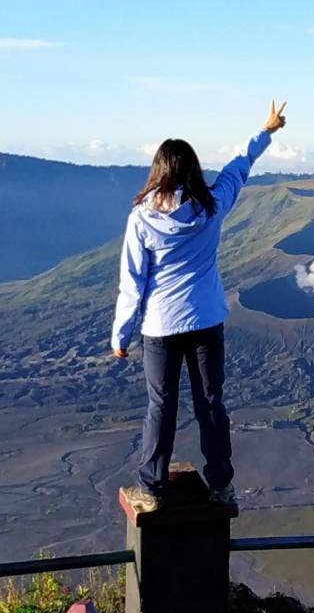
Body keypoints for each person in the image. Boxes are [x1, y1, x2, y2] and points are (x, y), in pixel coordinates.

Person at [112, 100, 288, 512]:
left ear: (158, 170)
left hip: (160, 326)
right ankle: (222, 486)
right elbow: (238, 167)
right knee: (211, 404)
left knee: (161, 405)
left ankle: (151, 489)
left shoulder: (141, 218)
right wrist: (267, 130)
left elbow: (132, 281)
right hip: (207, 319)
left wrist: (121, 334)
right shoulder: (211, 207)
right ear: (192, 170)